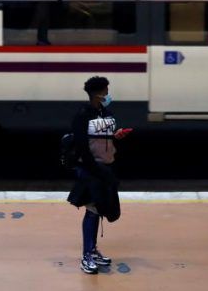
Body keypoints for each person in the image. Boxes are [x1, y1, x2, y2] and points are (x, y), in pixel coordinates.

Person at [67, 76, 132, 274]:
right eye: (105, 92)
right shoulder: (82, 115)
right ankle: (87, 256)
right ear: (97, 94)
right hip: (92, 169)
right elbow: (81, 146)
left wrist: (116, 136)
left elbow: (104, 138)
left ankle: (92, 251)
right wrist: (95, 170)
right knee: (92, 209)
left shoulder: (107, 113)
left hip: (106, 167)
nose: (108, 95)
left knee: (97, 209)